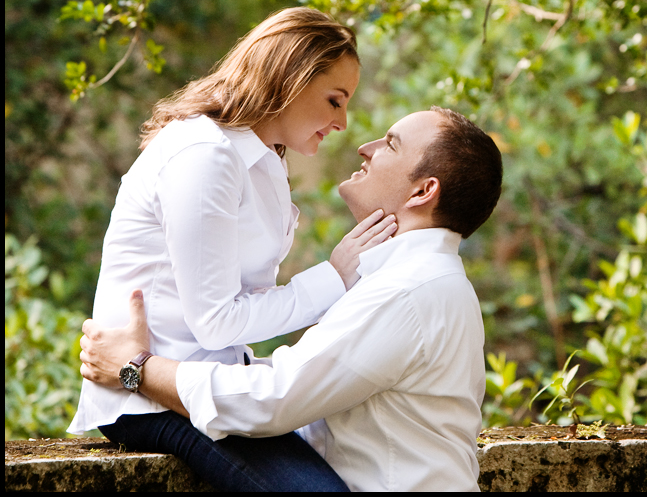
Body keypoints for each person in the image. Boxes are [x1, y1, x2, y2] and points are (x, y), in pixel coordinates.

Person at [79, 107, 504, 492]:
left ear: (422, 191)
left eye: (390, 143)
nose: (366, 147)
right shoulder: (420, 281)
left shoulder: (408, 292)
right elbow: (306, 379)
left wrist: (136, 368)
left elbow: (274, 399)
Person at [68, 7, 398, 491]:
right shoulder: (205, 154)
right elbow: (216, 320)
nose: (343, 122)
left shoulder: (262, 159)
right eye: (334, 100)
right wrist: (334, 277)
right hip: (151, 396)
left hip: (214, 384)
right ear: (290, 77)